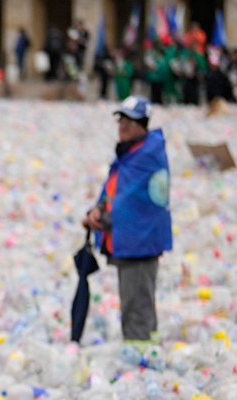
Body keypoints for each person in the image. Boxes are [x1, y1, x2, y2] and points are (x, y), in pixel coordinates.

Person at [82, 97, 172, 346]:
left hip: (140, 241)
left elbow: (135, 203)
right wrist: (97, 209)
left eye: (130, 122)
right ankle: (146, 349)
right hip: (132, 240)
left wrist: (103, 218)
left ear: (143, 125)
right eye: (121, 120)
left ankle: (140, 356)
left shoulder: (146, 156)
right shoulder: (130, 154)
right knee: (136, 299)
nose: (123, 126)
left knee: (137, 303)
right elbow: (114, 192)